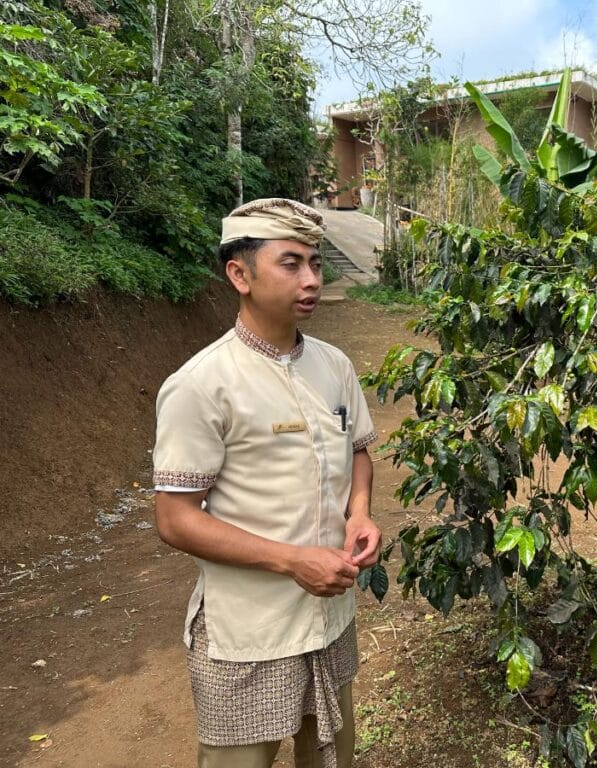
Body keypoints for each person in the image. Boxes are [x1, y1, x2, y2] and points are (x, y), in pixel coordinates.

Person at [152, 198, 381, 768]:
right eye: (290, 263)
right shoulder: (202, 385)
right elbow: (175, 518)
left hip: (329, 621)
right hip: (249, 633)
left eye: (316, 263)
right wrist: (291, 561)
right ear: (240, 274)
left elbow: (358, 452)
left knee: (332, 758)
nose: (310, 279)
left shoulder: (334, 366)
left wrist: (359, 513)